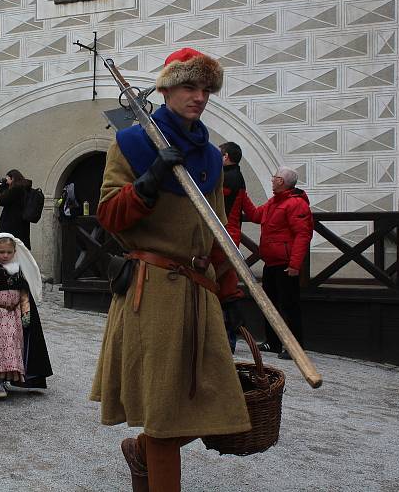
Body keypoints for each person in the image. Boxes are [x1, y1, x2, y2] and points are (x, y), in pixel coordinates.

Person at [91, 47, 251, 492]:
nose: (199, 97)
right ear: (165, 89)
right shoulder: (132, 143)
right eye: (189, 86)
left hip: (201, 289)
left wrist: (232, 292)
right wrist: (148, 180)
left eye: (206, 89)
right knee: (164, 414)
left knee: (217, 402)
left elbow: (218, 230)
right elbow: (109, 215)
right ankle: (151, 457)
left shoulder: (210, 157)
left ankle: (140, 452)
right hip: (153, 288)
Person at [243, 166, 314, 360]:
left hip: (285, 264)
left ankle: (295, 347)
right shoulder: (274, 201)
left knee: (289, 305)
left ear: (281, 181)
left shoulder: (296, 204)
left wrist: (294, 265)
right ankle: (273, 342)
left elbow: (302, 235)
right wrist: (243, 196)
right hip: (271, 262)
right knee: (270, 304)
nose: (272, 180)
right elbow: (256, 216)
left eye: (275, 177)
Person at [0, 233, 52, 399]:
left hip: (14, 316)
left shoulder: (18, 272)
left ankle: (7, 379)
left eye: (9, 252)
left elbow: (24, 294)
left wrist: (26, 312)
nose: (5, 255)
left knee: (13, 346)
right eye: (1, 252)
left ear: (14, 252)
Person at [219, 141, 252, 353]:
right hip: (231, 235)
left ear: (226, 157)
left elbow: (215, 202)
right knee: (226, 284)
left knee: (226, 287)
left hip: (226, 236)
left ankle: (230, 336)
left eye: (219, 154)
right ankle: (229, 335)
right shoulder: (236, 176)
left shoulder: (228, 177)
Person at [0, 169, 33, 249]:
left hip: (12, 222)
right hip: (20, 222)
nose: (6, 181)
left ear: (12, 178)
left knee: (6, 243)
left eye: (7, 179)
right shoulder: (24, 187)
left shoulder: (16, 189)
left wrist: (1, 187)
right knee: (19, 245)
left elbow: (2, 201)